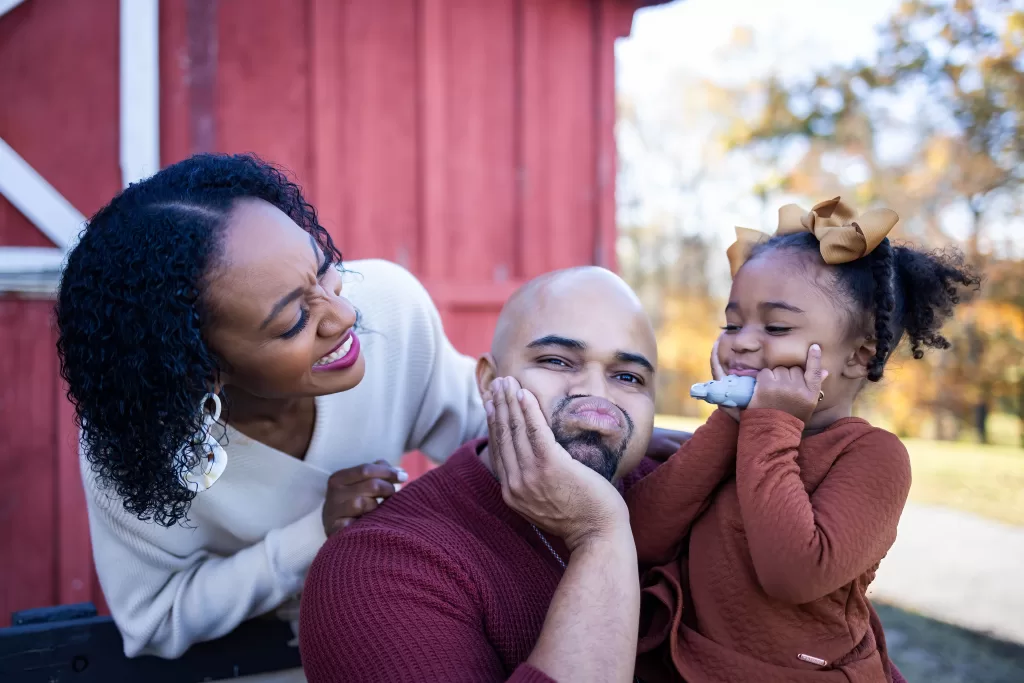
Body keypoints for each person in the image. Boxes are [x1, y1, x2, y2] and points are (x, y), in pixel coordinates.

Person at [55, 154, 688, 676]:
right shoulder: (134, 442)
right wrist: (314, 535)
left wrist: (649, 444)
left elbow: (501, 433)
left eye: (327, 274)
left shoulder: (386, 307)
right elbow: (154, 619)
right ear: (203, 367)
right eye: (296, 321)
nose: (343, 316)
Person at [626, 198, 979, 682]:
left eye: (776, 327)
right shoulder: (735, 434)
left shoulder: (873, 456)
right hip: (684, 661)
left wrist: (769, 426)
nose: (742, 342)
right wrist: (730, 424)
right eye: (732, 324)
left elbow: (793, 574)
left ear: (858, 355)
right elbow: (639, 538)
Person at [299, 267, 662, 682]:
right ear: (490, 382)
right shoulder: (377, 567)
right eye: (557, 361)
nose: (596, 394)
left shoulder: (687, 499)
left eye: (628, 377)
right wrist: (600, 537)